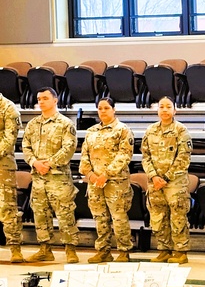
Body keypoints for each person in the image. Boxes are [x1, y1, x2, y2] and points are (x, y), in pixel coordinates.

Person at [22, 87, 79, 263]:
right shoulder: (32, 124)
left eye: (45, 98)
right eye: (39, 99)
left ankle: (70, 250)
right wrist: (34, 163)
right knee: (40, 214)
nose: (41, 101)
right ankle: (45, 249)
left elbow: (69, 148)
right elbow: (26, 146)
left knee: (65, 214)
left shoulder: (65, 124)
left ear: (55, 100)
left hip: (58, 178)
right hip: (38, 178)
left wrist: (49, 163)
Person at [80, 97, 134, 263]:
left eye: (106, 108)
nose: (103, 111)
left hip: (115, 182)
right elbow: (84, 156)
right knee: (99, 217)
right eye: (100, 108)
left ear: (113, 109)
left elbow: (125, 155)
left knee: (118, 217)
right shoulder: (91, 132)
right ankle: (103, 250)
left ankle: (124, 250)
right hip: (95, 183)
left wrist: (106, 174)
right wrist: (90, 175)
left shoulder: (122, 130)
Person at [141, 96, 192, 264]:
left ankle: (180, 251)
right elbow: (145, 156)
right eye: (161, 106)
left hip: (175, 182)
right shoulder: (150, 131)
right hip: (154, 182)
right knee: (158, 216)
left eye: (168, 107)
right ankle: (164, 249)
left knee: (178, 217)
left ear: (174, 110)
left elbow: (183, 158)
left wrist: (165, 177)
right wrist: (154, 176)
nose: (164, 109)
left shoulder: (181, 131)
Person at [0, 92, 23, 263]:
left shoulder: (8, 107)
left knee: (7, 208)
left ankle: (15, 248)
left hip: (3, 165)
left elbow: (9, 139)